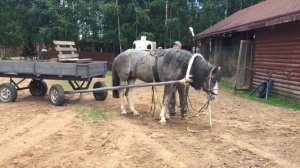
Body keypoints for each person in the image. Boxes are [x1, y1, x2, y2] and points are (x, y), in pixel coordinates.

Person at [168, 41, 183, 116]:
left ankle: (184, 110)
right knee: (171, 94)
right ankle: (171, 110)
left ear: (180, 47)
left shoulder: (183, 55)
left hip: (181, 79)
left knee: (182, 94)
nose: (174, 46)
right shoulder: (171, 55)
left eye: (176, 45)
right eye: (174, 45)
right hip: (172, 78)